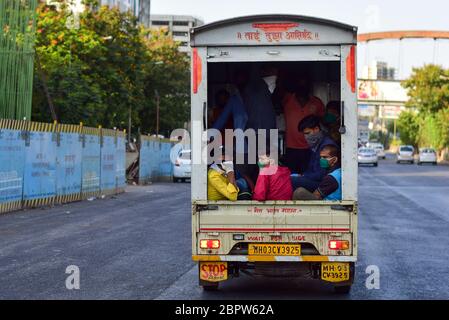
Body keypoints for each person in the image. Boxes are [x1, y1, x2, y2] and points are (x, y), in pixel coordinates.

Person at [280, 72, 325, 174]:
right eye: (300, 84)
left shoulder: (316, 102)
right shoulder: (287, 99)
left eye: (304, 84)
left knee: (308, 175)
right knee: (291, 177)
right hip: (291, 147)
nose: (302, 86)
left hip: (310, 148)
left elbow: (323, 123)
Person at [291, 115, 338, 192]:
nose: (306, 137)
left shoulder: (327, 147)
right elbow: (311, 168)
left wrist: (303, 176)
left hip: (323, 184)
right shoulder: (317, 145)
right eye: (304, 134)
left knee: (291, 181)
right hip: (315, 180)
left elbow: (321, 174)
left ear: (316, 129)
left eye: (308, 133)